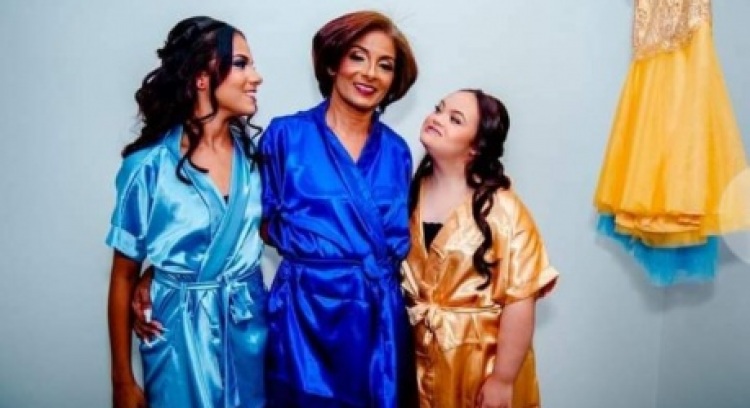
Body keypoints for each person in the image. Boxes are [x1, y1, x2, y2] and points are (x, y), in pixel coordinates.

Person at [259, 10, 419, 407]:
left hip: (376, 316)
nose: (370, 74)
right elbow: (251, 221)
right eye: (357, 57)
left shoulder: (397, 151)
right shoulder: (285, 136)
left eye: (385, 65)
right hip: (303, 312)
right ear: (333, 63)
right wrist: (155, 273)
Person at [105, 16, 267, 408]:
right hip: (178, 336)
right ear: (201, 77)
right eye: (241, 63)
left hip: (249, 329)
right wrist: (122, 381)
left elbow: (257, 233)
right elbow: (123, 275)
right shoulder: (148, 167)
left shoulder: (257, 160)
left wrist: (155, 273)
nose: (257, 77)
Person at [401, 89, 559, 408]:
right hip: (415, 355)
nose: (437, 118)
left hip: (478, 360)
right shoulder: (406, 194)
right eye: (439, 109)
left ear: (475, 147)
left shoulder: (504, 210)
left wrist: (502, 379)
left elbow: (520, 299)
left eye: (455, 119)